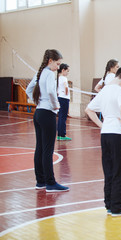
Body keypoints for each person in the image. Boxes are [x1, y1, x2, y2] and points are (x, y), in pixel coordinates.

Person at [85, 66, 121, 217]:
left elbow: (89, 110)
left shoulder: (105, 90)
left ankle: (109, 204)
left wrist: (102, 125)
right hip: (119, 134)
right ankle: (117, 207)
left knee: (109, 170)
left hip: (105, 134)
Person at [26, 49, 70, 193]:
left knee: (40, 148)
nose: (58, 67)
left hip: (38, 113)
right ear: (50, 61)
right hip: (47, 114)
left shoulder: (39, 73)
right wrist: (55, 105)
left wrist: (38, 102)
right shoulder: (50, 74)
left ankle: (40, 181)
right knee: (47, 150)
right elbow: (51, 92)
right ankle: (50, 183)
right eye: (57, 64)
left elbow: (28, 89)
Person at [57, 63, 71, 141]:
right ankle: (62, 134)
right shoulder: (64, 78)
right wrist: (66, 93)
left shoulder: (58, 78)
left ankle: (59, 134)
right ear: (63, 70)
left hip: (59, 98)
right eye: (67, 71)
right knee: (63, 117)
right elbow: (66, 87)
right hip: (64, 98)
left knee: (61, 116)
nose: (67, 73)